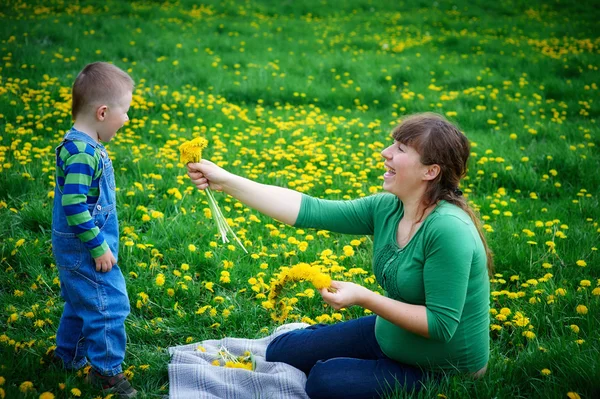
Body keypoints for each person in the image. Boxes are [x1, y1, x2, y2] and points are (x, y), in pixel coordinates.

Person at [187, 112, 492, 399]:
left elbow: (440, 325)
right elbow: (310, 210)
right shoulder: (389, 208)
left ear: (430, 170)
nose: (386, 152)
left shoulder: (448, 230)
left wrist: (365, 297)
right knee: (281, 351)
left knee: (324, 381)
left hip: (440, 367)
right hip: (388, 334)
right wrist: (225, 181)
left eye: (400, 148)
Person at [51, 62, 137, 398]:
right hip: (85, 247)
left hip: (76, 245)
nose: (127, 120)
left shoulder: (77, 144)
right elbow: (74, 206)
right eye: (125, 112)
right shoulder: (84, 154)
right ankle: (106, 372)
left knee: (80, 301)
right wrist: (98, 246)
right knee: (107, 306)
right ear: (102, 112)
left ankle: (67, 358)